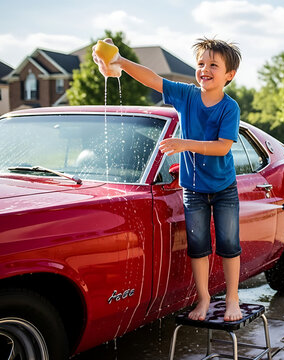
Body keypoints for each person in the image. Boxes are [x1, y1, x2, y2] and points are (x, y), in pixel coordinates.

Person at [93, 37, 243, 322]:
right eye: (201, 63)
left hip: (224, 188)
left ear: (229, 75)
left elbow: (223, 146)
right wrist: (121, 62)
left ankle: (232, 298)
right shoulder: (186, 95)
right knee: (198, 247)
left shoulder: (229, 107)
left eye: (213, 64)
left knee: (228, 244)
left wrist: (184, 144)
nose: (205, 69)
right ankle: (204, 299)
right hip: (193, 190)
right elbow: (153, 80)